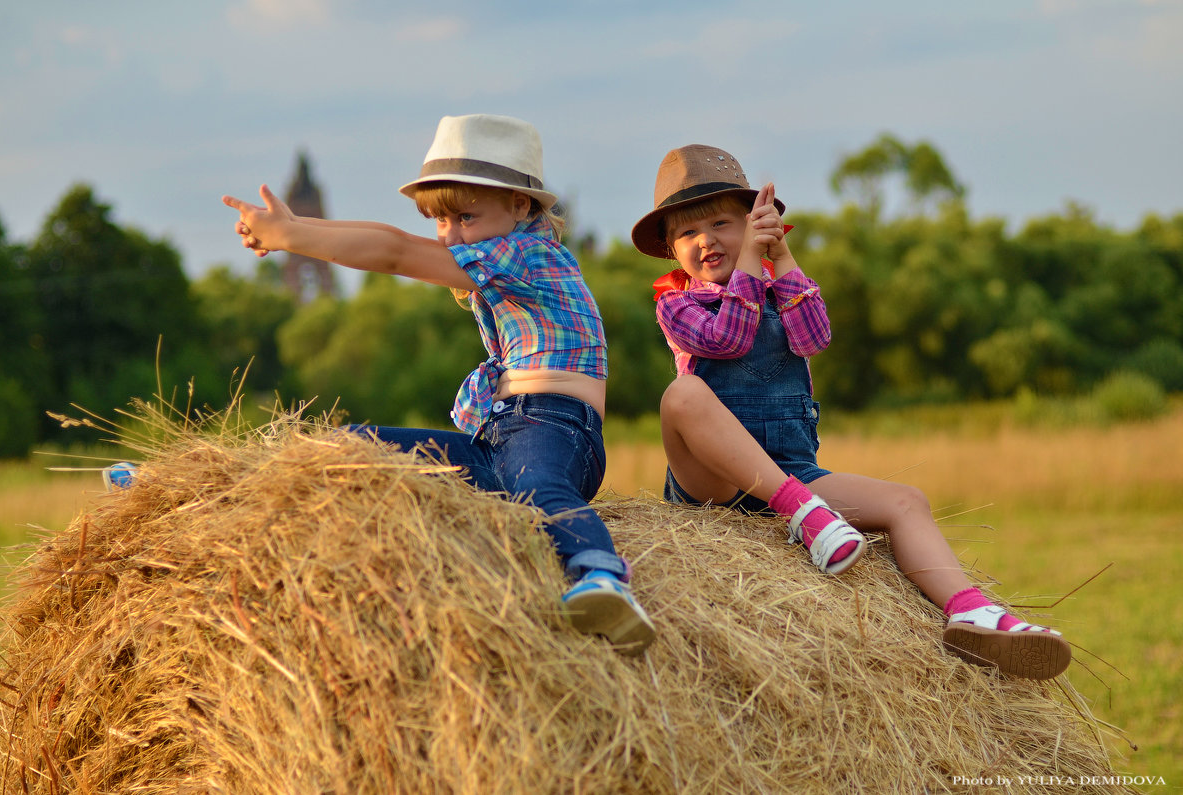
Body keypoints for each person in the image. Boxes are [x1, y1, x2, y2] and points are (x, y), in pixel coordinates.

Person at [213, 114, 654, 655]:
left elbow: (395, 250)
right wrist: (295, 233)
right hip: (498, 440)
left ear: (521, 205)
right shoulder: (498, 249)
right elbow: (391, 236)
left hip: (557, 431)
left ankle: (601, 575)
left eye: (466, 215)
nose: (450, 234)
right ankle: (210, 490)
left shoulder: (527, 254)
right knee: (352, 445)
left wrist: (293, 235)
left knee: (536, 487)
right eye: (440, 220)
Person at [630, 143, 1069, 678]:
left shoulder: (775, 287)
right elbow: (731, 338)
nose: (705, 241)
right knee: (682, 395)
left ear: (753, 224)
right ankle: (801, 510)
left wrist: (781, 258)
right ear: (671, 249)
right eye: (687, 233)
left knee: (908, 501)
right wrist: (750, 258)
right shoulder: (677, 304)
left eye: (721, 224)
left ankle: (970, 612)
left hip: (794, 469)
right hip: (715, 485)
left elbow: (815, 335)